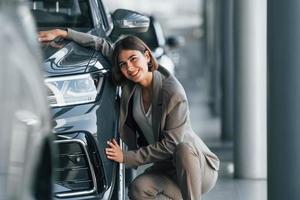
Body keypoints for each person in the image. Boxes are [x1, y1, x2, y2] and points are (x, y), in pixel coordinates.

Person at [38, 29, 220, 200]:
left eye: (134, 59)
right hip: (168, 170)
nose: (130, 68)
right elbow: (101, 45)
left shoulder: (172, 92)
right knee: (139, 189)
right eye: (123, 64)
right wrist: (64, 33)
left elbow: (172, 144)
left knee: (183, 148)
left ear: (147, 56)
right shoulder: (130, 83)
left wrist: (127, 157)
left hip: (196, 168)